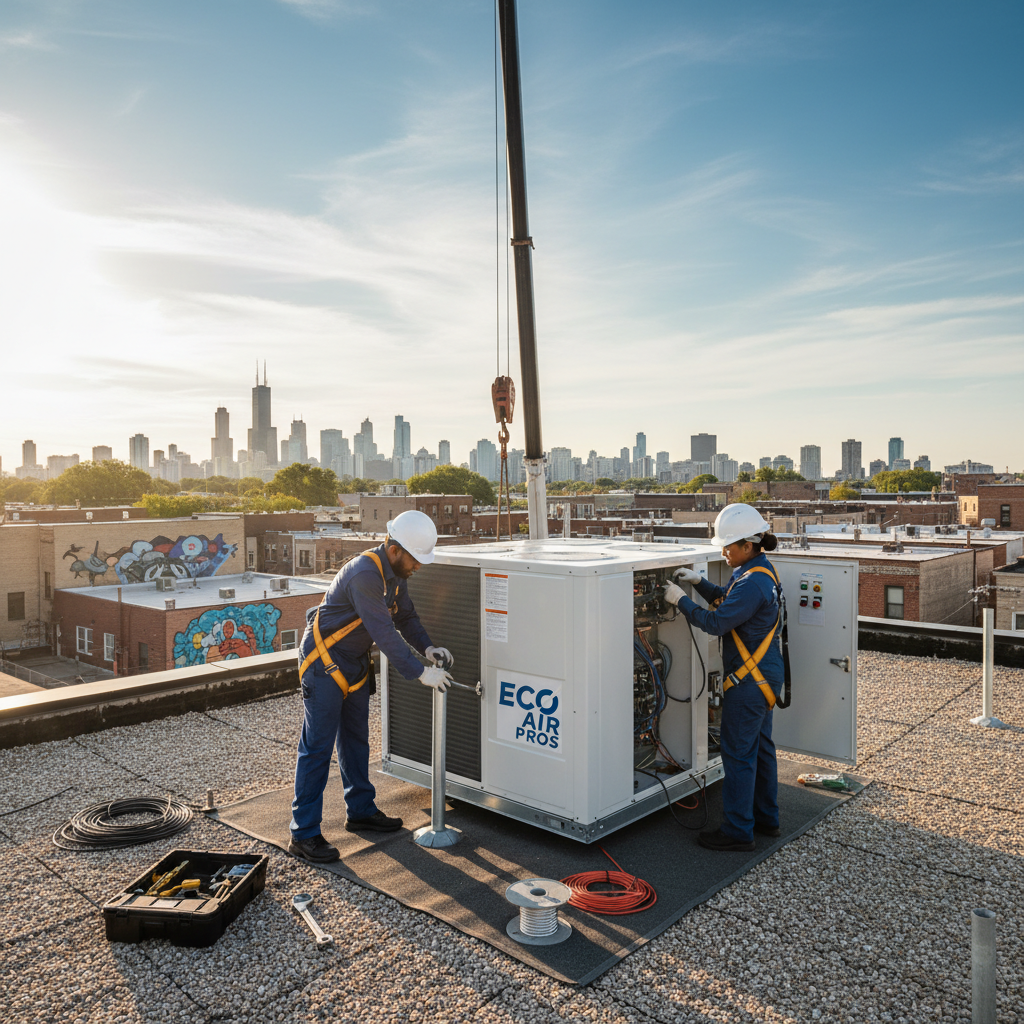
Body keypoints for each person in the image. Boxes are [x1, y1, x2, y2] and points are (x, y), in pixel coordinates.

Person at [289, 510, 454, 863]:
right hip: (324, 663)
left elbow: (405, 616)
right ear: (395, 549)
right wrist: (420, 672)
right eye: (415, 559)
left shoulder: (394, 573)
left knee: (355, 739)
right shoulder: (365, 574)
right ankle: (303, 834)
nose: (419, 567)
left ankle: (360, 810)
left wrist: (427, 647)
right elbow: (384, 631)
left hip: (353, 662)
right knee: (317, 748)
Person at [663, 504, 786, 853]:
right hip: (764, 676)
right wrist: (700, 584)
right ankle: (766, 818)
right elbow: (729, 600)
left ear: (748, 544)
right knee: (761, 749)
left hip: (749, 682)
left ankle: (737, 830)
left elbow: (717, 622)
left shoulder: (752, 581)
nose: (723, 552)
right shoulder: (759, 571)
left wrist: (681, 601)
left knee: (738, 754)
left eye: (728, 547)